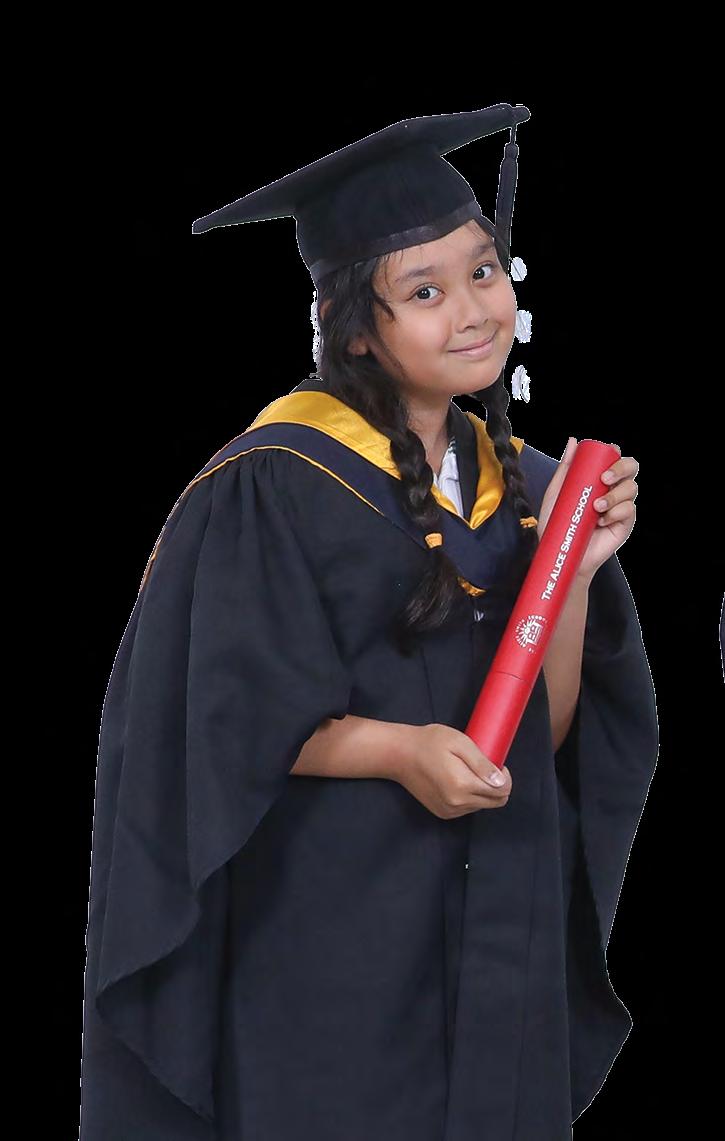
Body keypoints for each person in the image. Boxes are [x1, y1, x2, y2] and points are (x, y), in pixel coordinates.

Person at [79, 106, 658, 1139]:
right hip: (337, 936)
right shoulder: (273, 483)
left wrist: (570, 573)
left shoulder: (527, 484)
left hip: (500, 931)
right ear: (352, 325)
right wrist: (400, 750)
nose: (471, 310)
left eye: (482, 272)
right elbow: (217, 721)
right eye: (423, 291)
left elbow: (544, 732)